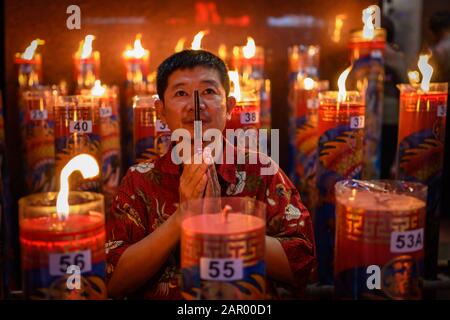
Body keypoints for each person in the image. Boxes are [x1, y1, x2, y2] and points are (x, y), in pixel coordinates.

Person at [105, 50, 315, 299]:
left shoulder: (261, 170)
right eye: (181, 93)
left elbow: (303, 266)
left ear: (229, 107)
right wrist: (183, 217)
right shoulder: (139, 181)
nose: (197, 106)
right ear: (160, 111)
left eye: (209, 92)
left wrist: (223, 226)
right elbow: (114, 282)